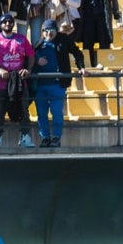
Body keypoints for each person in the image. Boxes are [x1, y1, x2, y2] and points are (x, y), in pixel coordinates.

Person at [32, 19, 85, 148]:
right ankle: (45, 137)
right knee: (41, 113)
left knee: (56, 112)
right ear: (42, 31)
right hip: (40, 85)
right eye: (46, 31)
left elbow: (77, 54)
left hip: (57, 84)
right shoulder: (37, 44)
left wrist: (81, 67)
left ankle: (56, 137)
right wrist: (37, 60)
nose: (49, 34)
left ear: (56, 31)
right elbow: (29, 59)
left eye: (52, 31)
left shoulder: (64, 40)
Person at [0, 12, 35, 148]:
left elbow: (31, 55)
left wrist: (28, 70)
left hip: (20, 81)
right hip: (2, 83)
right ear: (0, 24)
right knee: (0, 110)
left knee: (24, 109)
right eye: (4, 22)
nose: (7, 24)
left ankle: (25, 137)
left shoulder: (22, 38)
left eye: (10, 21)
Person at [79, 0, 121, 70]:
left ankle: (103, 64)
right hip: (89, 15)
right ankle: (89, 64)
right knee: (88, 41)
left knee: (104, 40)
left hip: (103, 14)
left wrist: (116, 14)